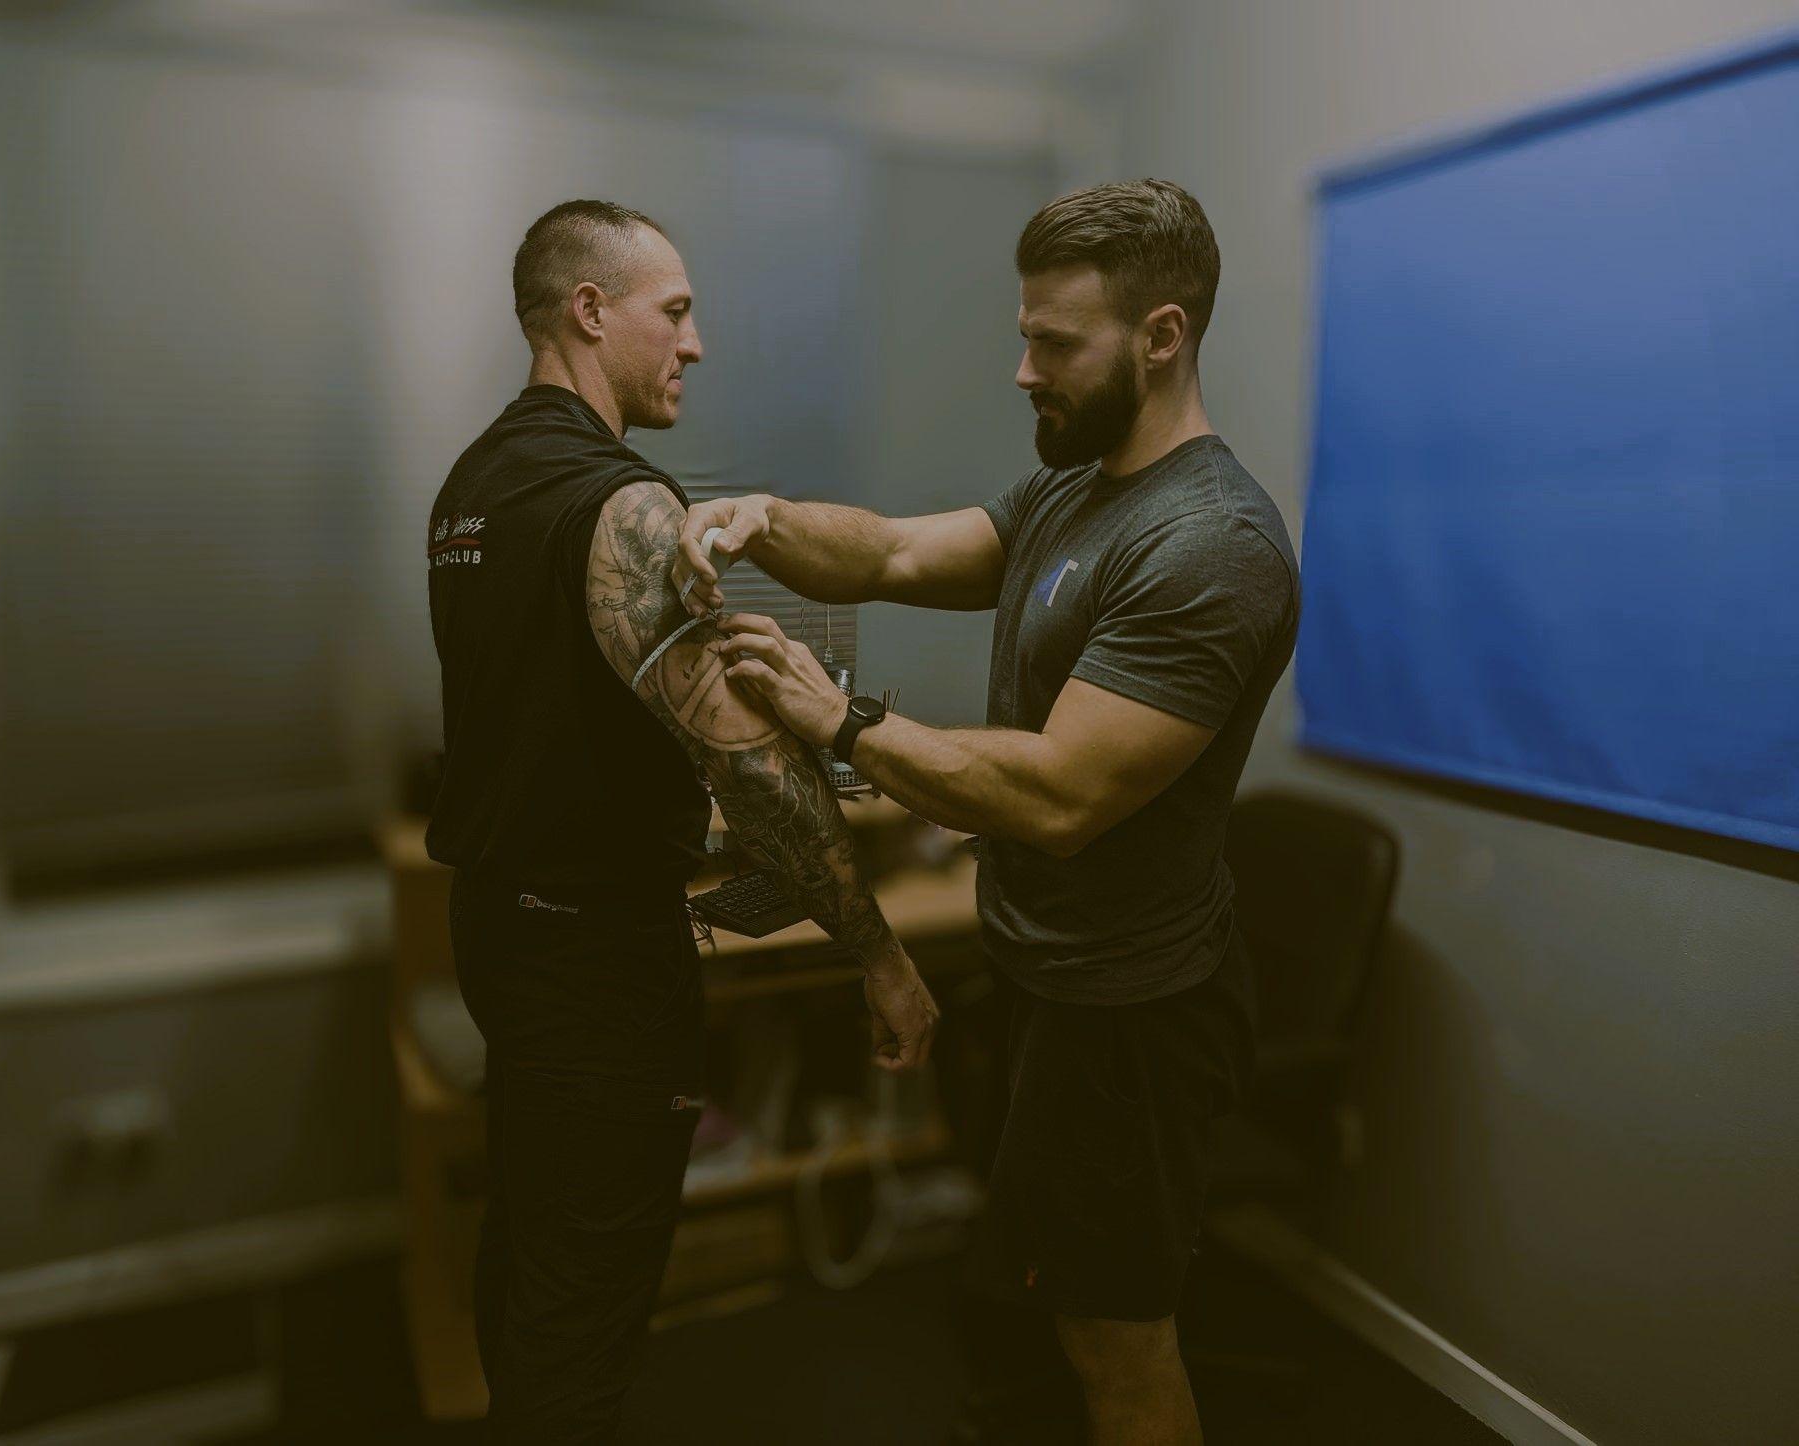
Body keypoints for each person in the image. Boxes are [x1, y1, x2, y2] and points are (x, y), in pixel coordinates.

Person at [673, 180, 1299, 1445]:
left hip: (1133, 1013)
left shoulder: (1211, 546)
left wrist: (838, 719)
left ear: (1162, 337)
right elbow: (895, 555)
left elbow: (1065, 798)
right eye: (1026, 336)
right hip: (1050, 979)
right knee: (1051, 1306)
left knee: (1119, 1343)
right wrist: (766, 521)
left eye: (1055, 344)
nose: (1024, 371)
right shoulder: (1074, 491)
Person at [424, 198, 938, 1443]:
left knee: (536, 1268)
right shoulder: (628, 505)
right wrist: (876, 949)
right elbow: (750, 771)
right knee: (584, 1328)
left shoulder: (472, 486)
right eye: (677, 310)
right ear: (590, 312)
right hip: (598, 963)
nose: (694, 342)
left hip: (504, 931)